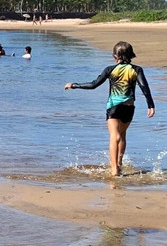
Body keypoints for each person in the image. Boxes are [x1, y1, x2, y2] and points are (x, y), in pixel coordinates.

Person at [65, 41, 155, 177]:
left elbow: (94, 84)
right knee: (122, 135)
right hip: (129, 107)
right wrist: (150, 105)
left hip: (113, 107)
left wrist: (74, 85)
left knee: (115, 136)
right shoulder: (136, 70)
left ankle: (114, 169)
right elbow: (145, 88)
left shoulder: (110, 69)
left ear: (115, 56)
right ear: (131, 55)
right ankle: (119, 163)